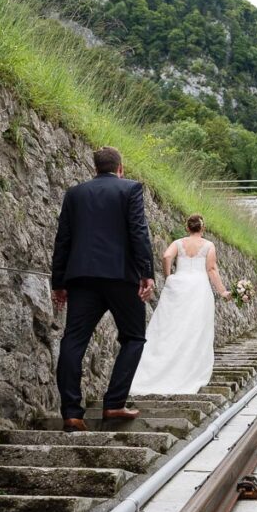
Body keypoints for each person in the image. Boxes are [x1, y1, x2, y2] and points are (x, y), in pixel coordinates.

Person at [50, 146, 155, 433]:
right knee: (134, 337)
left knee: (73, 340)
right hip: (121, 277)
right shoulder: (130, 189)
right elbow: (138, 232)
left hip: (82, 278)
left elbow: (63, 239)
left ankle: (72, 414)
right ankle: (114, 403)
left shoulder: (75, 194)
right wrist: (146, 273)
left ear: (95, 168)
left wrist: (58, 282)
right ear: (120, 168)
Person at [130, 214, 231, 395]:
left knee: (170, 327)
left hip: (179, 285)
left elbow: (166, 256)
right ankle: (188, 369)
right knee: (195, 330)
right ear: (202, 228)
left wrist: (169, 276)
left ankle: (154, 369)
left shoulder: (178, 243)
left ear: (187, 227)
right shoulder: (208, 245)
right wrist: (222, 291)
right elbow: (211, 269)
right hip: (199, 288)